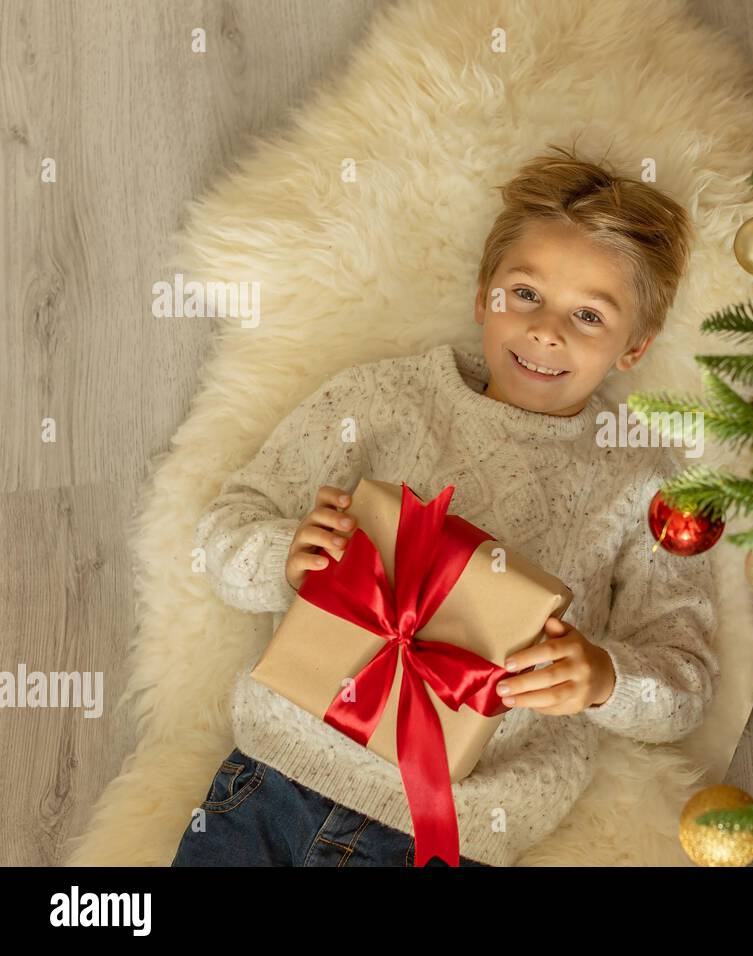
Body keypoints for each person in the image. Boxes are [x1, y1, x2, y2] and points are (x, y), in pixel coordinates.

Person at [170, 145, 720, 867]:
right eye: (526, 294)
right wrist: (286, 556)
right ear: (483, 296)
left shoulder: (644, 482)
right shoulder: (380, 399)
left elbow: (685, 684)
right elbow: (223, 533)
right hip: (271, 780)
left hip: (446, 832)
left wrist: (603, 678)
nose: (547, 330)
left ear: (634, 347)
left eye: (589, 315)